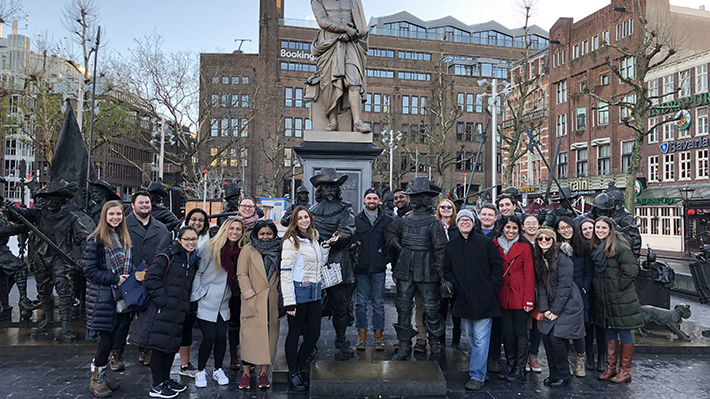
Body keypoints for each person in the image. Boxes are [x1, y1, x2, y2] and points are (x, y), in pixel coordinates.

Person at [7, 180, 93, 342]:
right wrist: (12, 211)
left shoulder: (71, 218)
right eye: (48, 199)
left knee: (64, 292)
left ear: (62, 200)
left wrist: (83, 258)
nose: (51, 202)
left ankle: (66, 326)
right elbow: (20, 216)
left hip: (61, 260)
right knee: (44, 292)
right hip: (40, 259)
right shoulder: (38, 213)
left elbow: (83, 238)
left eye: (55, 198)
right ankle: (48, 320)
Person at [129, 226, 200, 399]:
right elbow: (151, 277)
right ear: (179, 240)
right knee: (159, 347)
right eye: (187, 239)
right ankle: (156, 384)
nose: (191, 242)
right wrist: (163, 301)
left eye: (194, 239)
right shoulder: (168, 255)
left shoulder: (191, 259)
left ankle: (165, 379)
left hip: (178, 311)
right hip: (163, 309)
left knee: (170, 346)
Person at [385, 177, 448, 360]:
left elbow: (440, 249)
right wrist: (399, 247)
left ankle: (434, 341)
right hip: (405, 267)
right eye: (412, 196)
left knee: (431, 307)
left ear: (425, 198)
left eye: (416, 196)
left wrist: (442, 275)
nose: (412, 199)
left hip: (427, 268)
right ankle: (404, 345)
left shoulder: (433, 222)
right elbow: (389, 232)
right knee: (403, 307)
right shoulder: (404, 221)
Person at [443, 210, 503, 391]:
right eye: (461, 220)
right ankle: (477, 368)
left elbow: (496, 267)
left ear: (473, 222)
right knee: (470, 337)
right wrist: (456, 286)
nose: (465, 222)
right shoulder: (451, 245)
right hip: (463, 298)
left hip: (485, 298)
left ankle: (477, 375)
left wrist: (491, 288)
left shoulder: (486, 243)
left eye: (468, 219)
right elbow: (447, 270)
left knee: (481, 338)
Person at [114, 191, 169, 369]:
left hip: (152, 279)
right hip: (128, 279)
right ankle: (116, 353)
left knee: (147, 319)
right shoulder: (122, 226)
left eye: (147, 202)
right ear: (132, 205)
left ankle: (145, 351)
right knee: (123, 319)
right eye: (141, 203)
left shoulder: (160, 228)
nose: (145, 205)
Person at [281, 207, 333, 391]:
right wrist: (289, 301)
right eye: (300, 218)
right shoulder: (290, 242)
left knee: (313, 334)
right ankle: (293, 371)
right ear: (294, 221)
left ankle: (298, 365)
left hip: (315, 293)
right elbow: (285, 272)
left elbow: (319, 264)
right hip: (298, 292)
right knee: (294, 333)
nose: (304, 220)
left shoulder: (313, 238)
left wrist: (324, 249)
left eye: (306, 217)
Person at [83, 201, 131, 397]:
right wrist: (115, 278)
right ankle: (96, 378)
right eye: (111, 214)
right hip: (103, 298)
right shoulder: (95, 240)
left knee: (112, 339)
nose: (115, 218)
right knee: (106, 340)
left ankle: (103, 374)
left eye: (118, 214)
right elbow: (89, 271)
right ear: (104, 216)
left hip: (119, 297)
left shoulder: (122, 237)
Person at [191, 217, 246, 388]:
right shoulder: (210, 247)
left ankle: (217, 369)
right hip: (206, 300)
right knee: (209, 336)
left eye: (238, 229)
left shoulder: (239, 251)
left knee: (222, 337)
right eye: (231, 229)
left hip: (224, 302)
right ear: (224, 229)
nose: (235, 232)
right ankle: (200, 371)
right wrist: (198, 296)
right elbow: (198, 273)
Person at [309, 168, 357, 356]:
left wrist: (335, 239)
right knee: (313, 305)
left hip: (340, 261)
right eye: (326, 187)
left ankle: (341, 339)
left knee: (341, 304)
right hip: (316, 262)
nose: (330, 190)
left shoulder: (346, 208)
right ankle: (310, 341)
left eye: (333, 187)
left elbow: (348, 230)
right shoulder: (310, 212)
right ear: (320, 189)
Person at [592, 216, 643, 384]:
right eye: (597, 228)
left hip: (620, 298)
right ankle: (610, 367)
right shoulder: (598, 247)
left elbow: (631, 271)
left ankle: (624, 371)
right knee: (609, 330)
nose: (600, 231)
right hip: (605, 298)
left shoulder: (619, 247)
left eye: (603, 228)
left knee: (624, 331)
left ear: (610, 230)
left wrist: (617, 288)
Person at [533, 227, 585, 387]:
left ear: (553, 240)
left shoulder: (563, 258)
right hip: (551, 304)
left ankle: (564, 375)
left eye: (547, 239)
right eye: (540, 239)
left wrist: (554, 311)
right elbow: (541, 285)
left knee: (556, 338)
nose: (543, 241)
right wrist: (545, 309)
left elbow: (565, 286)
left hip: (569, 304)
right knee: (546, 337)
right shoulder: (540, 257)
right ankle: (554, 373)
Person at [309, 0, 371, 133]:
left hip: (350, 43)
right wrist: (344, 28)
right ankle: (333, 121)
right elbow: (322, 21)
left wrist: (352, 33)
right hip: (329, 44)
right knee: (329, 84)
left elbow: (362, 25)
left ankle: (357, 121)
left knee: (354, 81)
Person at [237, 220, 282, 390]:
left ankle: (264, 373)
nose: (265, 237)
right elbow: (241, 273)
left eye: (268, 234)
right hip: (252, 299)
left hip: (271, 300)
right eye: (262, 234)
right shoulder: (248, 249)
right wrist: (247, 292)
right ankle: (246, 373)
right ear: (255, 234)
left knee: (269, 337)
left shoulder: (279, 249)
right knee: (249, 337)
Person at [493, 215, 535, 382]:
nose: (511, 231)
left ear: (519, 229)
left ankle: (519, 367)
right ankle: (510, 364)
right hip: (502, 295)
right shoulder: (495, 244)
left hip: (520, 294)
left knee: (521, 333)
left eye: (514, 228)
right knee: (507, 333)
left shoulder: (525, 247)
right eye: (508, 227)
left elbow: (529, 275)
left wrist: (528, 300)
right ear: (502, 228)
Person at [354, 189, 392, 351]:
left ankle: (378, 337)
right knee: (360, 303)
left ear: (379, 201)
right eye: (369, 198)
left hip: (378, 269)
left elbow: (391, 243)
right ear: (364, 200)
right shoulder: (356, 220)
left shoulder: (387, 220)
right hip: (361, 269)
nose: (372, 201)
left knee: (378, 303)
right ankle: (361, 336)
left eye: (375, 198)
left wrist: (384, 258)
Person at [555, 217, 592, 377]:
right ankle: (567, 361)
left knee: (579, 331)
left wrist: (584, 288)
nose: (565, 230)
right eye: (562, 228)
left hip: (578, 294)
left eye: (568, 227)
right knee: (562, 330)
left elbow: (588, 271)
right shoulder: (555, 247)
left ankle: (580, 360)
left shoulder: (582, 246)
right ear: (558, 230)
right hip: (561, 294)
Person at [579, 217, 606, 371]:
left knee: (601, 325)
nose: (589, 231)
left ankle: (602, 357)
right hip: (587, 291)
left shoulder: (604, 245)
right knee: (588, 325)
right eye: (585, 229)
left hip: (602, 290)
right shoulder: (581, 247)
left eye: (591, 228)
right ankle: (589, 356)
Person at [436, 199, 461, 347]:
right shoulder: (435, 226)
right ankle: (440, 339)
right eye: (443, 207)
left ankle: (456, 340)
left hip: (455, 273)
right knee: (441, 310)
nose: (446, 209)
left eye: (449, 207)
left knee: (456, 310)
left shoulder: (457, 229)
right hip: (439, 273)